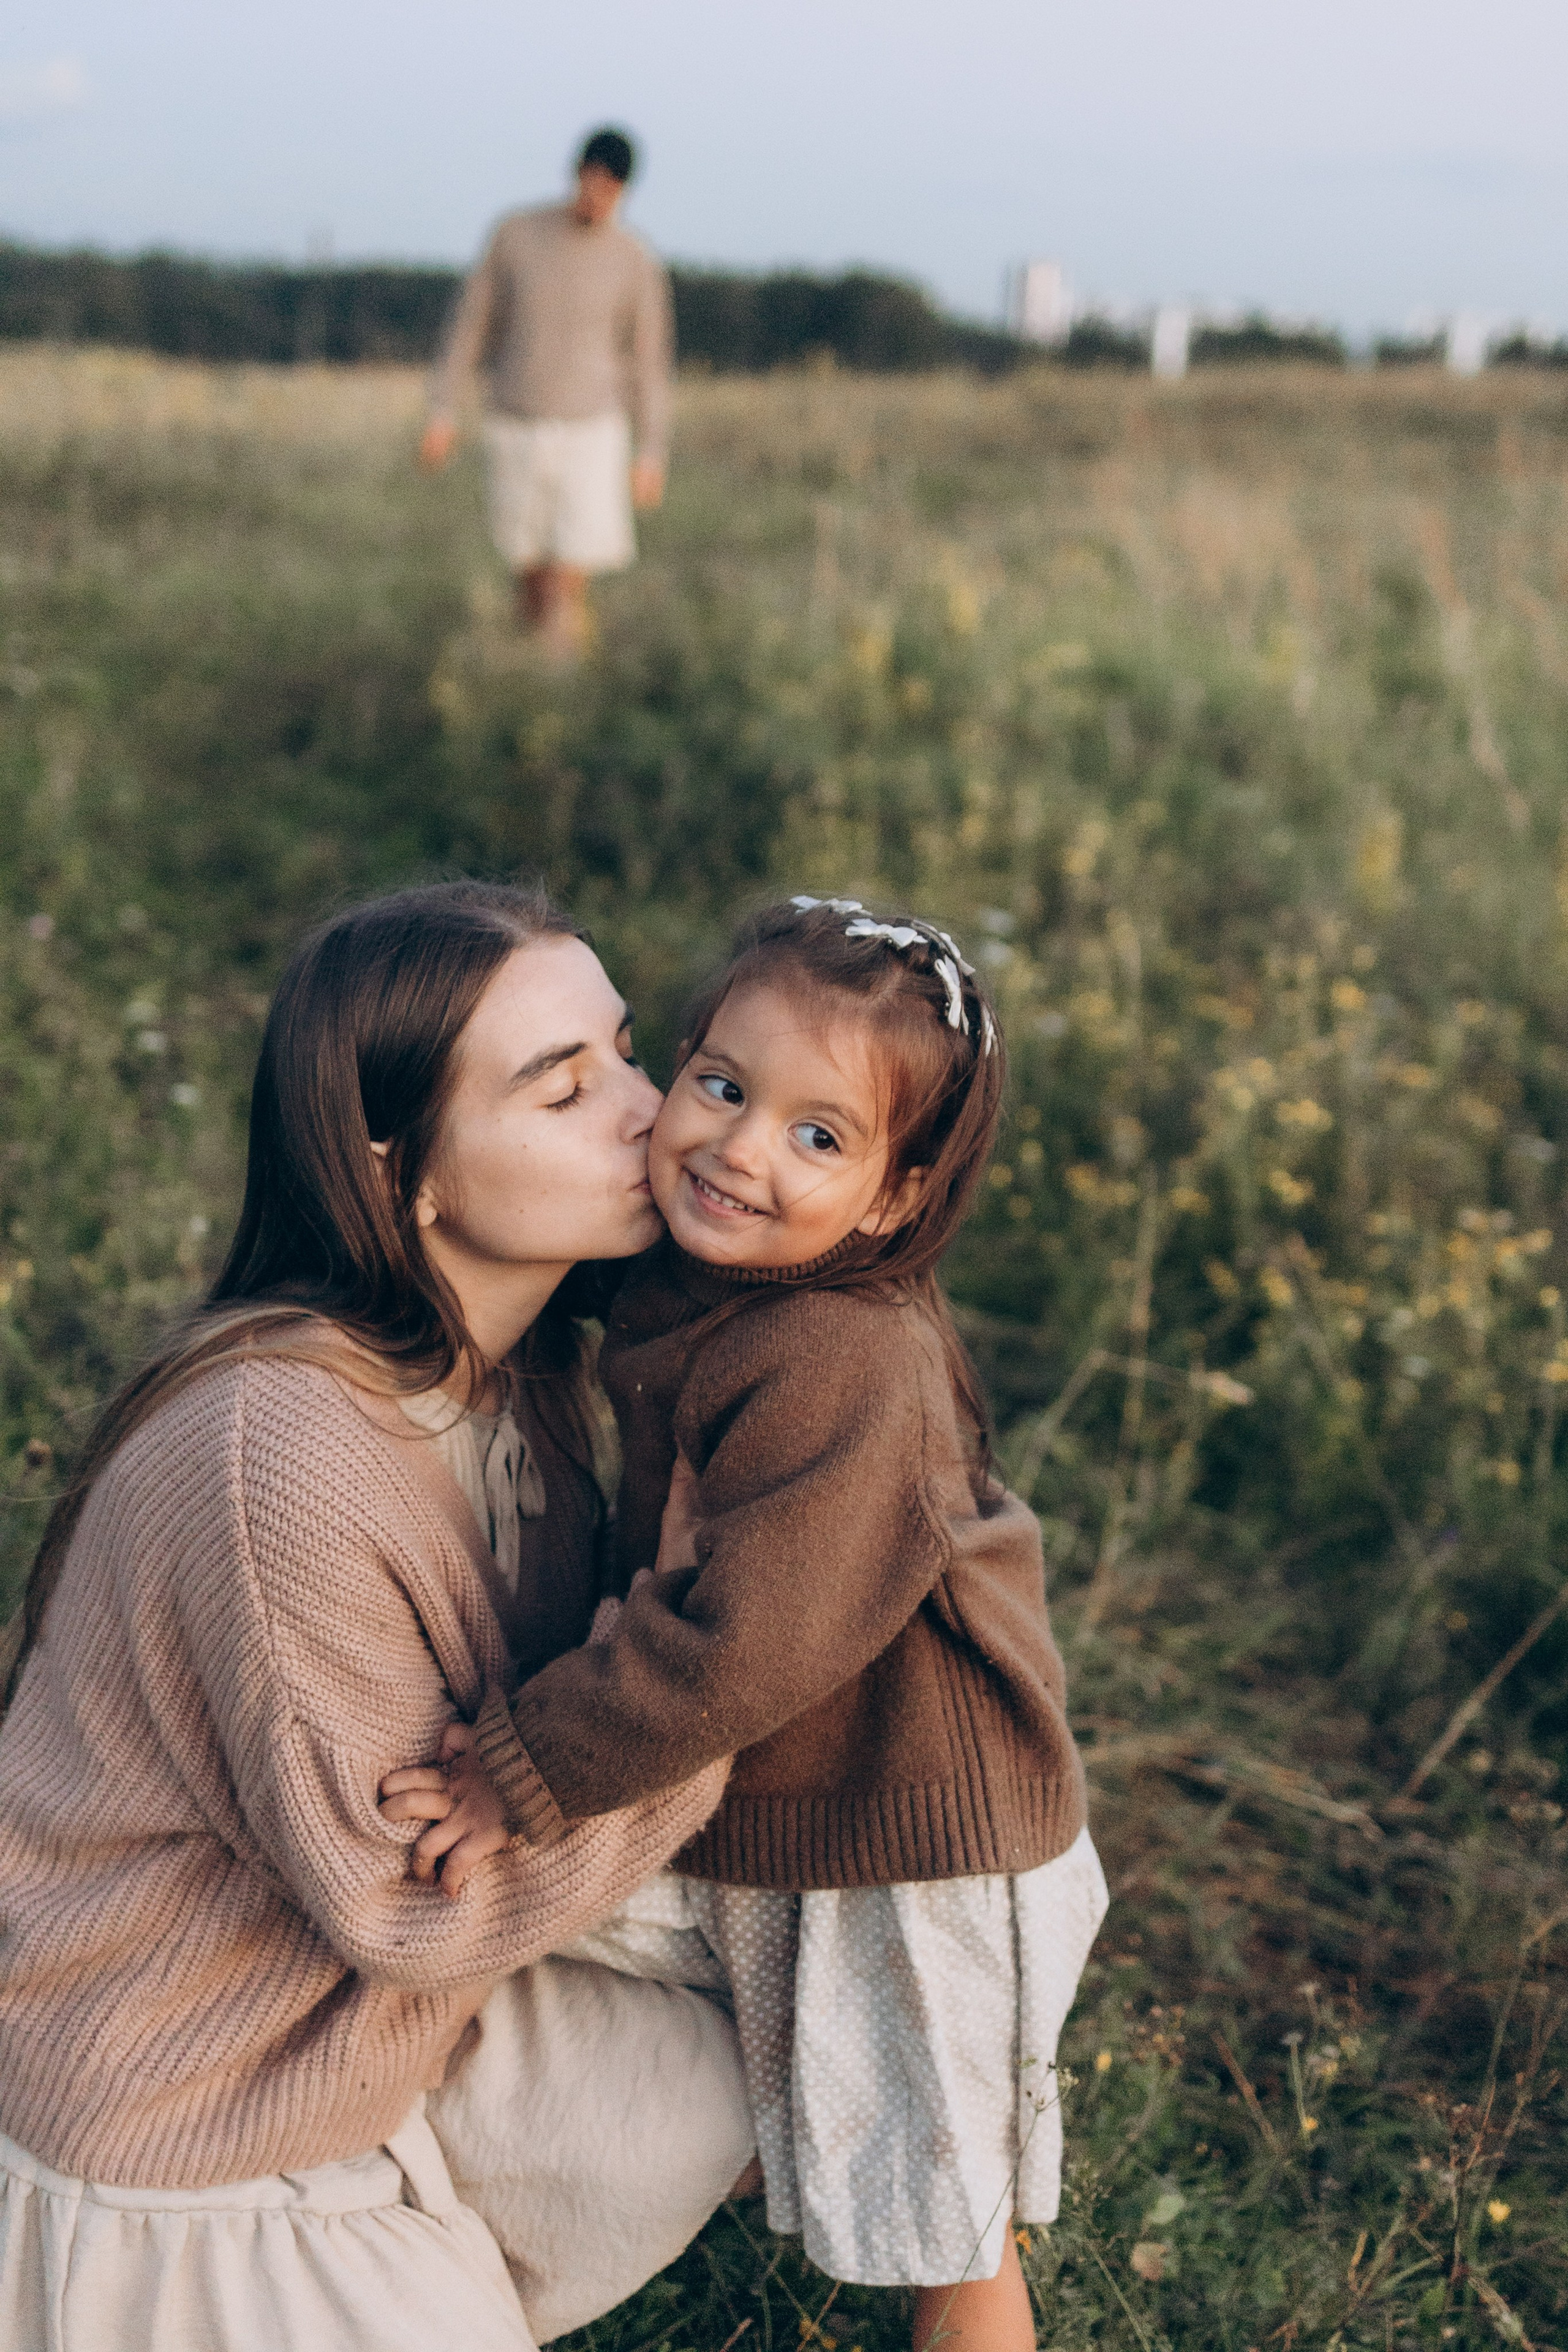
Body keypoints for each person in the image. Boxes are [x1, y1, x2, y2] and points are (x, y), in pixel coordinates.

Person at [0, 881, 757, 2352]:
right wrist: (705, 1678)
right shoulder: (278, 1457)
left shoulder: (518, 1385)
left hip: (352, 2009)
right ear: (398, 1166)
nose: (650, 1112)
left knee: (706, 2082)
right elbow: (407, 1900)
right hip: (169, 2096)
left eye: (624, 1052)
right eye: (564, 1087)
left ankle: (407, 2241)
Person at [381, 895, 1109, 2352]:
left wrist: (519, 1765)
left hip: (922, 1847)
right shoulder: (708, 1274)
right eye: (721, 1084)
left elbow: (746, 1639)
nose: (738, 1148)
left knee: (952, 2233)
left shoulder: (842, 1357)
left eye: (818, 1136)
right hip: (805, 1811)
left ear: (895, 1198)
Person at [421, 127, 673, 657]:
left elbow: (649, 362)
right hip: (516, 420)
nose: (598, 200)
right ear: (578, 174)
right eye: (593, 184)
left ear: (625, 191)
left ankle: (561, 668)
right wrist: (442, 411)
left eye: (612, 191)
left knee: (571, 561)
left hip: (592, 429)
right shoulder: (515, 236)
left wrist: (652, 450)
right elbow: (470, 327)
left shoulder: (635, 259)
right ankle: (530, 656)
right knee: (528, 561)